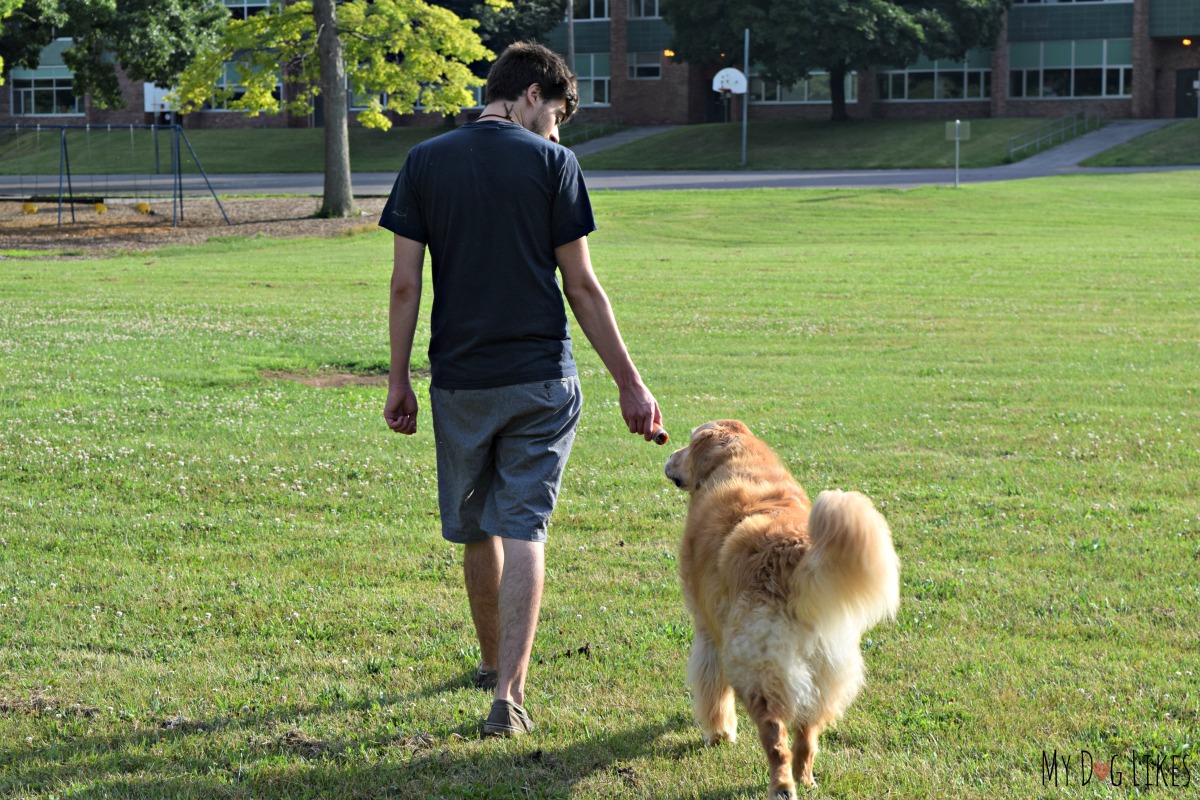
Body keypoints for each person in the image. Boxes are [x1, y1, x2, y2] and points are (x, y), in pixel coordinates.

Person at [379, 41, 664, 738]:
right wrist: (630, 383)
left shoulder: (424, 162)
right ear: (532, 94)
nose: (558, 130)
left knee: (478, 529)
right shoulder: (553, 165)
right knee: (525, 528)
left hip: (461, 381)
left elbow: (405, 284)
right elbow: (584, 287)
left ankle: (487, 662)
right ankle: (508, 692)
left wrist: (397, 379)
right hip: (542, 378)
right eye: (558, 113)